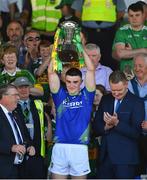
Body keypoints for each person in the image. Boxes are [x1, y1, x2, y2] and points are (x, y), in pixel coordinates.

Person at [48, 48, 96, 178]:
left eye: (75, 82)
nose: (71, 85)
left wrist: (81, 49)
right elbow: (51, 72)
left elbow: (91, 69)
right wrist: (56, 49)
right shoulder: (60, 95)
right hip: (60, 147)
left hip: (79, 148)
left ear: (81, 82)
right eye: (68, 81)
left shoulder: (87, 96)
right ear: (65, 80)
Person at [93, 70, 145, 179]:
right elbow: (96, 126)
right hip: (105, 157)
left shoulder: (137, 102)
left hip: (126, 160)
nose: (116, 93)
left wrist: (116, 123)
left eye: (119, 90)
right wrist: (106, 127)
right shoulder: (106, 99)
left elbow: (136, 133)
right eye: (113, 90)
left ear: (126, 84)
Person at [13, 76, 52, 178]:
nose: (24, 90)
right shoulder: (11, 106)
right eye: (20, 87)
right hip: (18, 154)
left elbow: (46, 126)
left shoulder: (38, 103)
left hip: (37, 153)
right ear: (15, 90)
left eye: (26, 86)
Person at [71, 0, 126, 70]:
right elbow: (77, 12)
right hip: (89, 33)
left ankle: (110, 78)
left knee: (109, 59)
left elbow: (121, 12)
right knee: (87, 58)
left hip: (108, 33)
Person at [0, 84, 35, 178]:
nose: (18, 98)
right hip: (4, 170)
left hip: (20, 168)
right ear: (4, 96)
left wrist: (29, 146)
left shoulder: (16, 114)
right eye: (15, 95)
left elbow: (25, 136)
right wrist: (11, 147)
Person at [112, 2, 147, 74]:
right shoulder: (122, 31)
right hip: (128, 74)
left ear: (143, 15)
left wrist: (130, 53)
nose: (134, 18)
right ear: (128, 16)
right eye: (131, 15)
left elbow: (124, 54)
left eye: (137, 15)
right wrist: (144, 50)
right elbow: (120, 54)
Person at [128, 53, 147, 174]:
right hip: (133, 134)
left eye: (140, 65)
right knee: (135, 170)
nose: (137, 68)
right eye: (135, 65)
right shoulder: (127, 85)